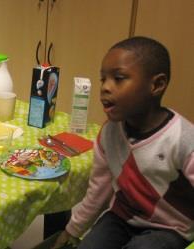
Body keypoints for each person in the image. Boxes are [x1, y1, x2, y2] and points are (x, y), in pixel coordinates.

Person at [52, 36, 193, 249]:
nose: (106, 87)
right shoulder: (109, 134)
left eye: (118, 78)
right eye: (103, 79)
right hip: (122, 217)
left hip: (171, 228)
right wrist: (73, 230)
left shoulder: (183, 139)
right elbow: (98, 192)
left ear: (157, 84)